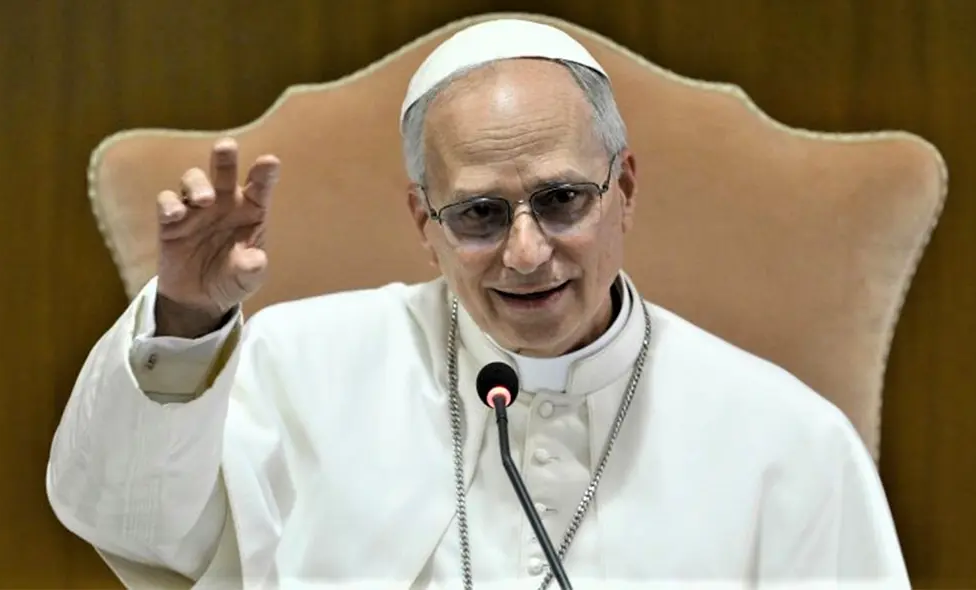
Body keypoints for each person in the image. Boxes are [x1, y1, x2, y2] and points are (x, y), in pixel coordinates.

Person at [47, 18, 910, 590]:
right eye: (480, 214)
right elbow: (130, 520)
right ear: (424, 219)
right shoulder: (301, 367)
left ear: (625, 190)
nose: (527, 253)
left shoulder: (789, 443)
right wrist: (187, 323)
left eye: (564, 199)